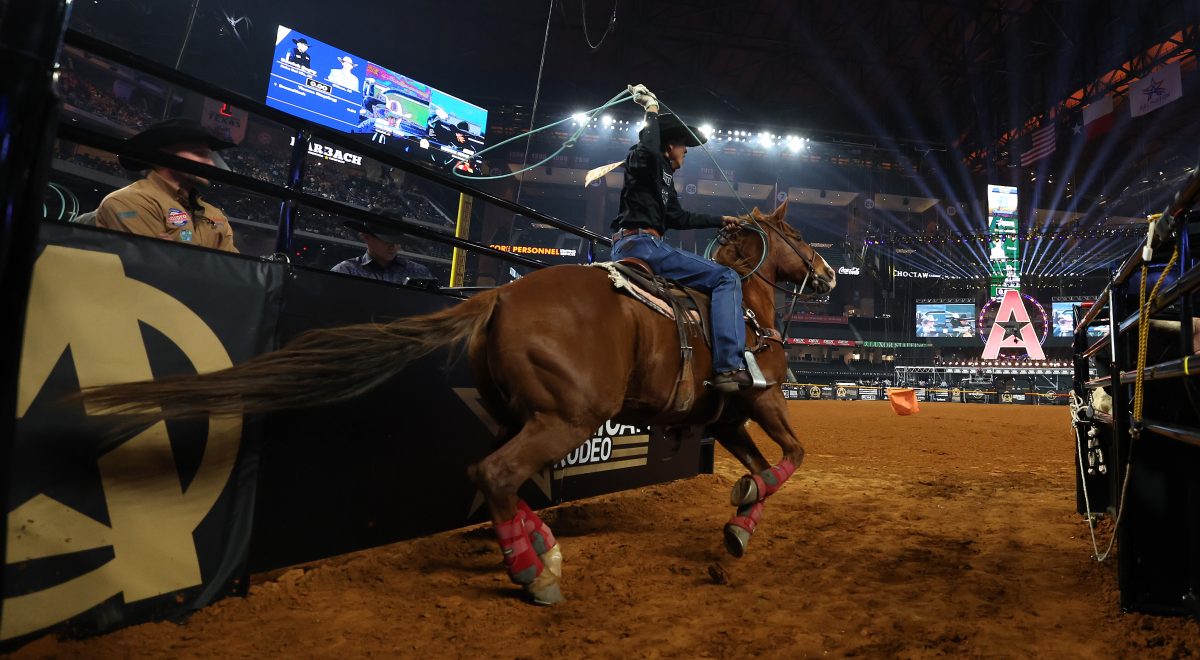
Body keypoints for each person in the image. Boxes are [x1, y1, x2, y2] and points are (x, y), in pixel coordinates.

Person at [610, 84, 748, 393]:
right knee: (727, 278)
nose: (686, 150)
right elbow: (646, 148)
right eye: (683, 145)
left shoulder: (664, 180)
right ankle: (729, 366)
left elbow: (678, 217)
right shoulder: (643, 158)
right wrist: (651, 111)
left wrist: (718, 219)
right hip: (643, 245)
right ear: (669, 147)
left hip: (638, 242)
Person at [96, 118, 238, 252]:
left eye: (209, 156)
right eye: (200, 153)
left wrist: (173, 252)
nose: (211, 164)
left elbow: (237, 270)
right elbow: (154, 269)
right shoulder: (128, 201)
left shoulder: (215, 214)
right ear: (165, 156)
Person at [331, 213, 435, 286]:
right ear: (366, 237)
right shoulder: (344, 271)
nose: (393, 246)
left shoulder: (419, 272)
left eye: (397, 241)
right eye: (387, 240)